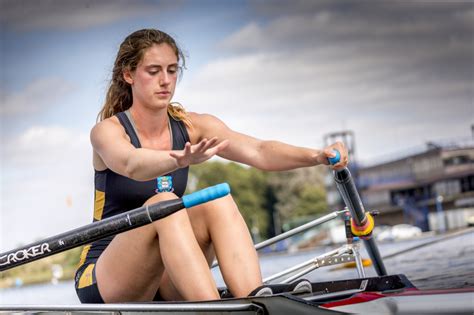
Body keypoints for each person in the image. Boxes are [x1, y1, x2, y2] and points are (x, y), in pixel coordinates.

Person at [74, 28, 348, 303]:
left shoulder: (193, 126)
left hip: (166, 274)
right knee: (165, 204)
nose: (165, 81)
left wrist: (316, 156)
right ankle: (215, 310)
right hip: (104, 277)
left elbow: (259, 151)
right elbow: (131, 164)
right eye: (153, 71)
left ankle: (256, 300)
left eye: (172, 70)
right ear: (129, 75)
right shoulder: (106, 132)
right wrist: (179, 158)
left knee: (218, 199)